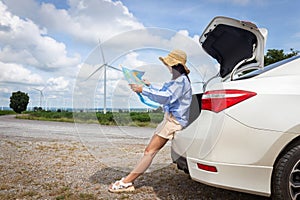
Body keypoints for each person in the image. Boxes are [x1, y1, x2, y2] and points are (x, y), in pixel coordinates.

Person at [108, 49, 192, 193]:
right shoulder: (179, 80)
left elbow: (166, 97)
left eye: (168, 63)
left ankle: (127, 182)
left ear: (174, 64)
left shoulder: (180, 81)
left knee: (149, 152)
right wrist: (149, 86)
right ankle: (128, 181)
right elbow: (165, 93)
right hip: (170, 119)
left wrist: (143, 90)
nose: (167, 66)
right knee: (149, 151)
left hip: (173, 121)